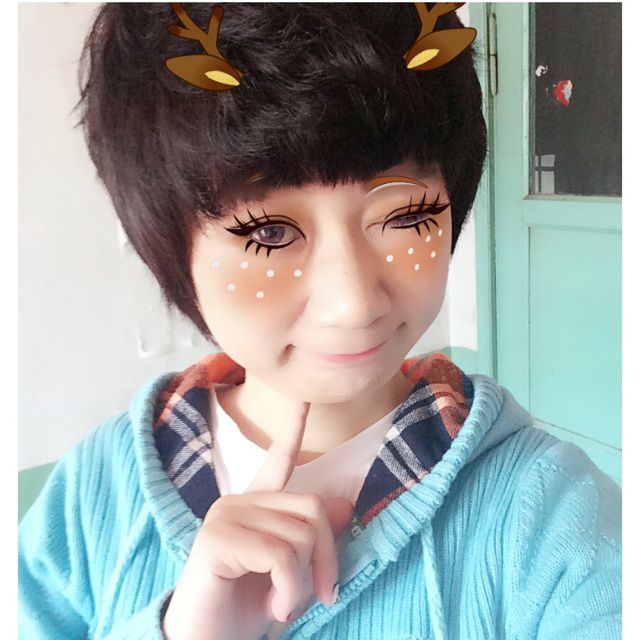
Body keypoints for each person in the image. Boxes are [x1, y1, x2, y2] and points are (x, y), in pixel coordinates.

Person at [18, 4, 622, 640]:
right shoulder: (91, 496)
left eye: (406, 216)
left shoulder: (549, 512)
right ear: (168, 244)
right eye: (270, 233)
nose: (353, 302)